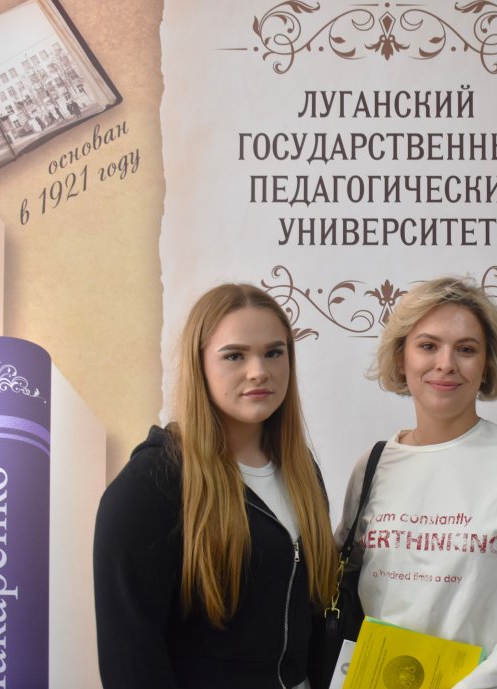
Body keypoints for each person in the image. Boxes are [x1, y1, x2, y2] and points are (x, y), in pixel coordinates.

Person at [338, 276, 497, 689]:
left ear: (487, 366)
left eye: (466, 349)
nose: (446, 364)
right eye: (428, 346)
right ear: (401, 358)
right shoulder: (373, 466)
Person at [93, 283, 336, 689]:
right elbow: (131, 656)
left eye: (273, 353)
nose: (259, 371)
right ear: (199, 365)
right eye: (235, 355)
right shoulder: (151, 484)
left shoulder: (301, 472)